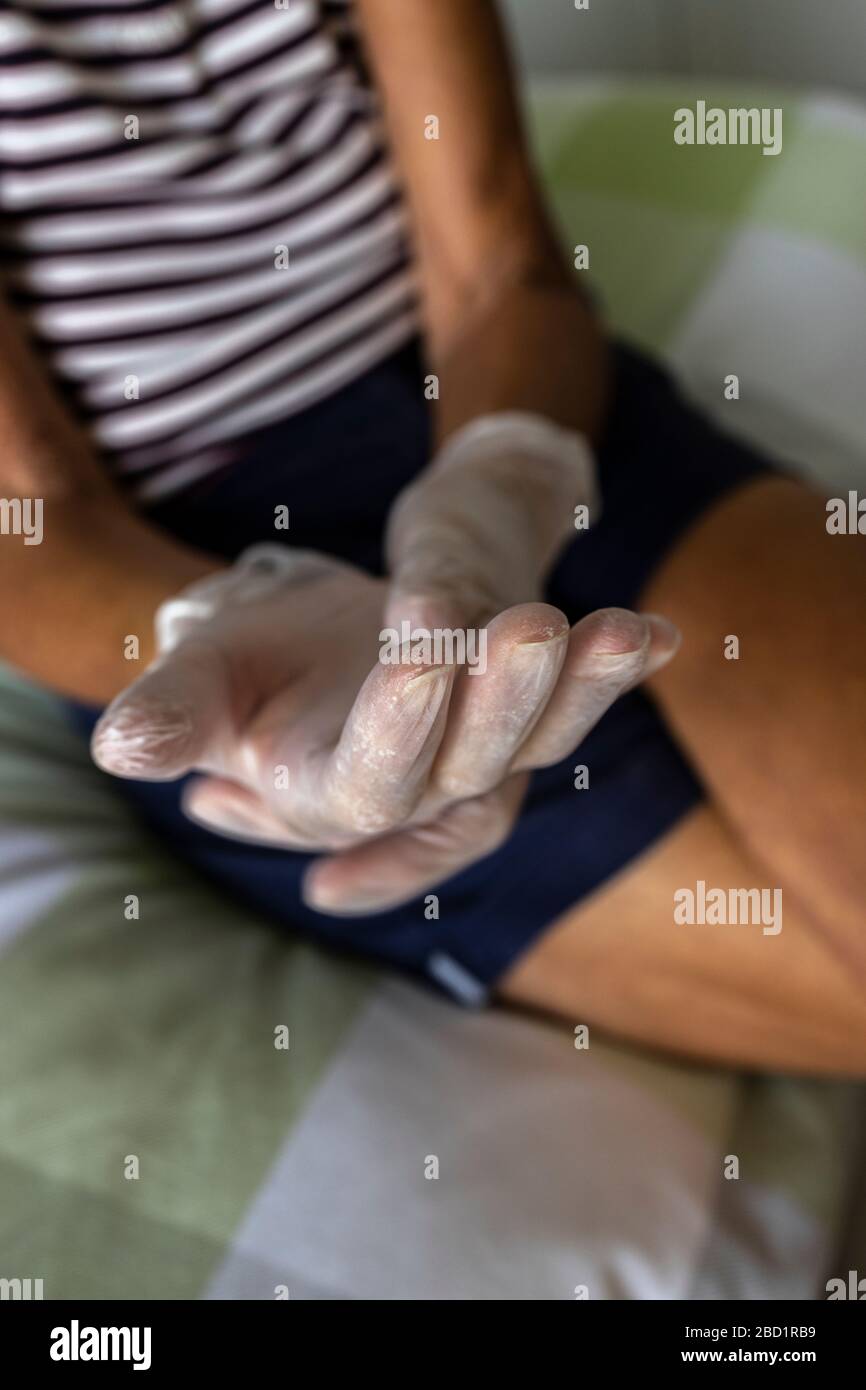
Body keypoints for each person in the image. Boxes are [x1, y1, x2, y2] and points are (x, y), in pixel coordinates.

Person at [1, 0, 865, 1072]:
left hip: (512, 401)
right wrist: (213, 621)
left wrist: (500, 481)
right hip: (173, 547)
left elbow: (499, 266)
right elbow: (26, 513)